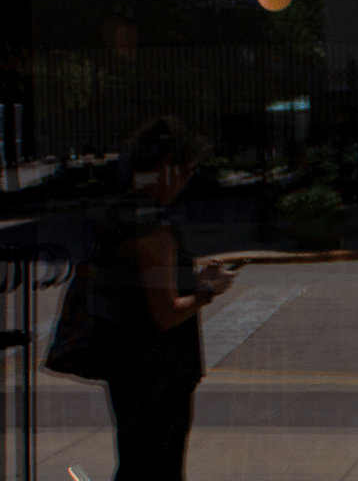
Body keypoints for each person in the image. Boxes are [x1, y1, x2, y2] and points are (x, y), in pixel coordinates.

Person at [88, 118, 235, 481]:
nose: (184, 182)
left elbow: (140, 286)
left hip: (127, 364)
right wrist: (207, 292)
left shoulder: (121, 213)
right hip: (159, 374)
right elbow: (165, 313)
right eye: (184, 172)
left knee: (136, 462)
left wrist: (189, 280)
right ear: (166, 169)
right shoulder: (150, 225)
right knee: (157, 468)